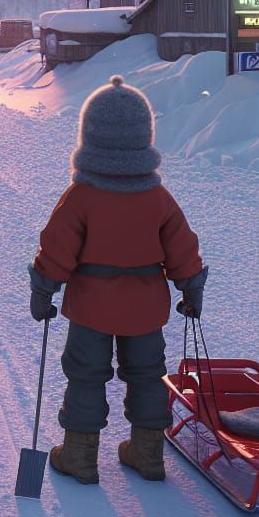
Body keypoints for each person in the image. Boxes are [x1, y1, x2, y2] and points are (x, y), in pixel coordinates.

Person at [28, 75, 207, 485]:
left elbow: (57, 249)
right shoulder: (157, 197)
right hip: (146, 308)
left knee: (87, 374)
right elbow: (182, 247)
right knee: (147, 373)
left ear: (90, 135)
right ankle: (147, 453)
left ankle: (80, 455)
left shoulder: (81, 196)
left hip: (91, 306)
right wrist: (191, 286)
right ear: (144, 136)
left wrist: (43, 289)